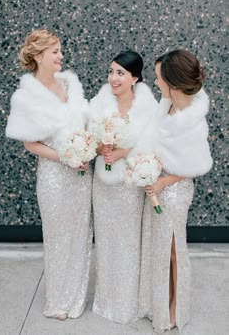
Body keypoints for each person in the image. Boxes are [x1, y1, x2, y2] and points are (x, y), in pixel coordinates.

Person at [6, 29, 92, 320]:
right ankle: (58, 300)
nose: (60, 56)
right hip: (54, 175)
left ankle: (75, 297)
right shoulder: (25, 95)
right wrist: (66, 157)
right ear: (38, 55)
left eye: (60, 50)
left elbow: (86, 121)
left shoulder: (70, 82)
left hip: (81, 174)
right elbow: (31, 144)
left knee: (80, 233)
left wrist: (87, 148)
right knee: (57, 236)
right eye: (55, 51)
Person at [138, 49, 213, 333]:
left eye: (158, 78)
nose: (155, 83)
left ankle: (175, 307)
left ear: (173, 82)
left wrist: (161, 182)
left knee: (173, 249)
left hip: (175, 190)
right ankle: (157, 301)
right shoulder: (166, 104)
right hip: (156, 185)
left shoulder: (192, 120)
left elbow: (192, 167)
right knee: (158, 248)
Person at [89, 50, 158, 324]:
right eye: (111, 71)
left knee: (129, 240)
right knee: (106, 240)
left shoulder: (148, 106)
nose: (113, 78)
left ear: (135, 78)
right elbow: (87, 139)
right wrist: (100, 148)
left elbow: (152, 142)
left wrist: (124, 152)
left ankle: (128, 301)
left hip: (129, 185)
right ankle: (107, 300)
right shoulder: (99, 102)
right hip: (103, 184)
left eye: (120, 73)